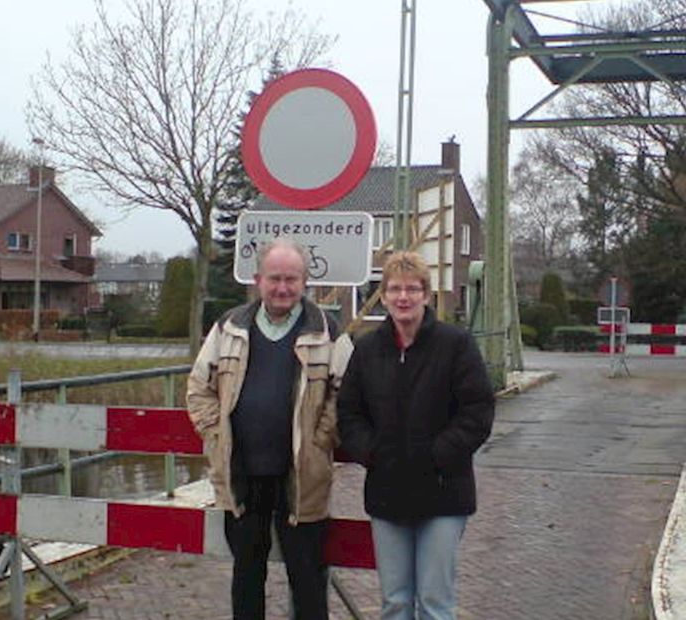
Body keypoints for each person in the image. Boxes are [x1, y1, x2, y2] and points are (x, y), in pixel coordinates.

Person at [186, 238, 353, 620]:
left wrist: (320, 438)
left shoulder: (327, 331)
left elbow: (348, 395)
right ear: (258, 280)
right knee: (246, 576)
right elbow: (198, 389)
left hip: (301, 481)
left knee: (307, 579)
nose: (282, 288)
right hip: (242, 477)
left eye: (291, 279)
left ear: (304, 282)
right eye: (275, 278)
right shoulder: (229, 327)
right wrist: (217, 436)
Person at [337, 250, 495, 620]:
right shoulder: (367, 350)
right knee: (394, 600)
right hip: (388, 493)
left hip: (443, 493)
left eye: (412, 289)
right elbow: (348, 412)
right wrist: (372, 452)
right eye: (394, 289)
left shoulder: (456, 346)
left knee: (434, 601)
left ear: (426, 294)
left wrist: (437, 455)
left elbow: (477, 412)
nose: (403, 297)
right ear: (385, 295)